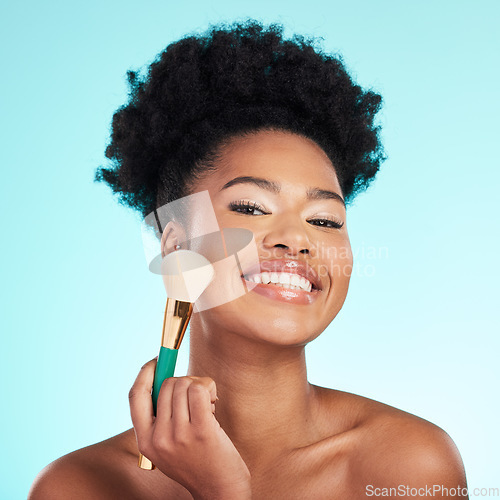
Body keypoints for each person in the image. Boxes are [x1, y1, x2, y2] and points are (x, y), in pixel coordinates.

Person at [29, 20, 468, 499]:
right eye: (251, 208)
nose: (296, 240)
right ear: (178, 248)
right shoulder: (78, 487)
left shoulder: (411, 466)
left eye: (324, 220)